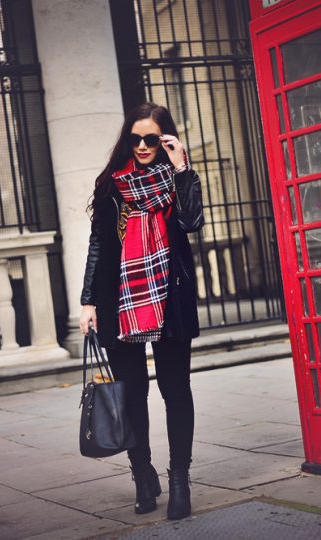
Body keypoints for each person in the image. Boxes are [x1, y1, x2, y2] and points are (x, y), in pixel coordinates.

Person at [79, 103, 204, 520]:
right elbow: (99, 245)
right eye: (136, 138)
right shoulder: (112, 185)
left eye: (152, 138)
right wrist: (88, 301)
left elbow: (190, 223)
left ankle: (180, 480)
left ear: (165, 138)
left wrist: (183, 168)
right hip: (121, 299)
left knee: (175, 391)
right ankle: (143, 475)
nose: (143, 146)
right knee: (132, 392)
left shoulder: (178, 178)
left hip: (170, 295)